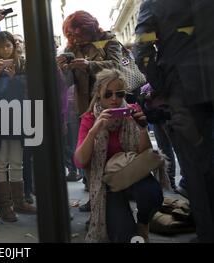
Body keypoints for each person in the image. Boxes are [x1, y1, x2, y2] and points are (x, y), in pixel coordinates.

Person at [135, 0, 214, 242]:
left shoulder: (154, 4)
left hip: (184, 93)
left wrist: (163, 87)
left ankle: (208, 233)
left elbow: (142, 52)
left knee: (197, 170)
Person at [74, 69, 164, 242]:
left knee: (153, 194)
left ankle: (143, 223)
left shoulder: (132, 111)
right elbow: (80, 161)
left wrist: (143, 128)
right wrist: (94, 131)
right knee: (124, 236)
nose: (114, 99)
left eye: (120, 93)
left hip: (131, 172)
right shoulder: (89, 118)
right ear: (98, 95)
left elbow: (143, 155)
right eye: (108, 94)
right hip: (107, 183)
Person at [58, 10, 123, 211]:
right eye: (72, 36)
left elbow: (117, 66)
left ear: (89, 29)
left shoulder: (108, 40)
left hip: (109, 103)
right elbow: (68, 83)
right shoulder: (72, 47)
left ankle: (116, 194)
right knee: (88, 154)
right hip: (84, 107)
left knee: (111, 150)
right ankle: (94, 195)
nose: (76, 39)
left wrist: (90, 65)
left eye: (79, 35)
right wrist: (62, 69)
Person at [0, 31, 36, 222]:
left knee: (17, 161)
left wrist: (15, 77)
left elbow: (26, 92)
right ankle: (4, 206)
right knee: (0, 163)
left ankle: (19, 201)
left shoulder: (21, 65)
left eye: (9, 46)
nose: (6, 50)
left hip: (17, 117)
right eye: (2, 46)